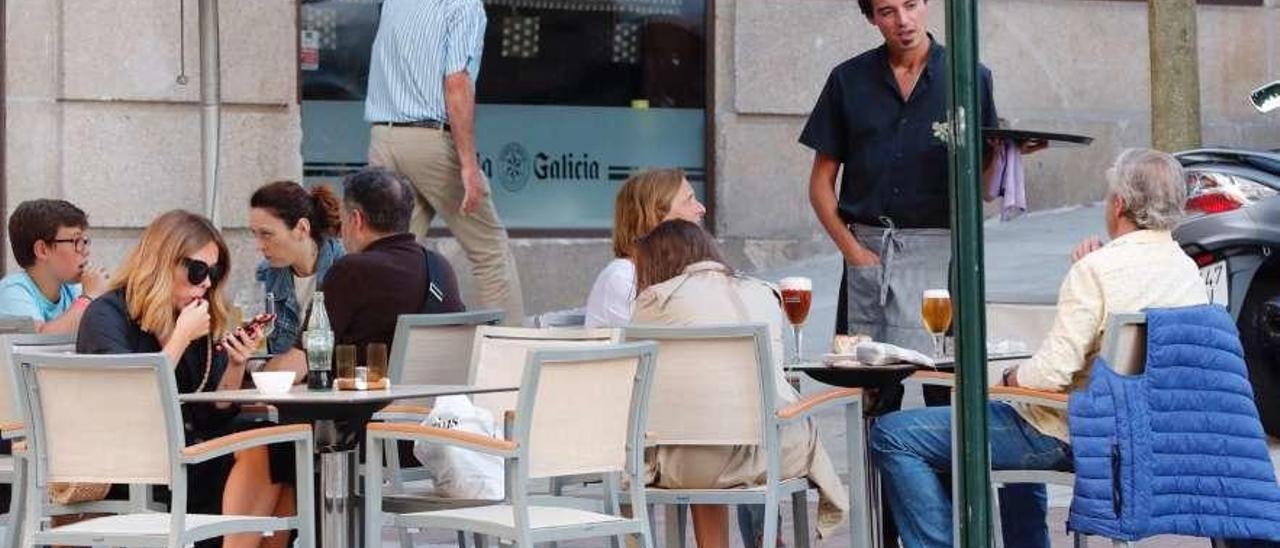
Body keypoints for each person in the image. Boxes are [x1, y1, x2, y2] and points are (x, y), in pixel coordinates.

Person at [869, 149, 1209, 548]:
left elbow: (1051, 375)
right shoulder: (1187, 270)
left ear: (1119, 204)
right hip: (1145, 436)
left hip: (1076, 435)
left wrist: (1011, 378)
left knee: (893, 434)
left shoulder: (1095, 271)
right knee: (1021, 410)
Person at [225, 168, 466, 547]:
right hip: (430, 435)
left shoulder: (352, 271)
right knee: (277, 448)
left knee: (256, 442)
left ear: (355, 220)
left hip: (357, 439)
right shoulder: (441, 268)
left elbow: (299, 362)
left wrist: (245, 377)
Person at [632, 220, 849, 548]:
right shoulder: (764, 294)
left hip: (687, 465)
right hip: (766, 458)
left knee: (672, 437)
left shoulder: (655, 302)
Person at [76, 210, 264, 539]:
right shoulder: (107, 315)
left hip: (188, 455)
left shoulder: (189, 318)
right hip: (134, 466)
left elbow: (209, 416)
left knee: (279, 453)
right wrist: (178, 338)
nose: (206, 282)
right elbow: (130, 399)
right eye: (197, 270)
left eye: (213, 273)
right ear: (164, 263)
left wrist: (236, 365)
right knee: (265, 456)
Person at [364, 0, 524, 326]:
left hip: (383, 139)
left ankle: (376, 355)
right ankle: (512, 355)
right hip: (431, 140)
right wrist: (468, 165)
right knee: (490, 252)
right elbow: (457, 83)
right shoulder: (463, 6)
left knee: (388, 257)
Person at [584, 168, 706, 328]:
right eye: (689, 200)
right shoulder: (623, 278)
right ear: (655, 215)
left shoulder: (681, 271)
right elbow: (669, 344)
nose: (702, 208)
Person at [248, 181, 345, 354]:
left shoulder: (346, 268)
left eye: (266, 234)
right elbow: (258, 352)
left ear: (301, 228)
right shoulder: (266, 275)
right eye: (255, 234)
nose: (259, 245)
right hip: (283, 380)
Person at [0, 199, 109, 333]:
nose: (86, 251)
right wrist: (88, 298)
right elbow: (38, 340)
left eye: (85, 241)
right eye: (76, 241)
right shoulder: (12, 291)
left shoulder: (73, 289)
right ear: (42, 250)